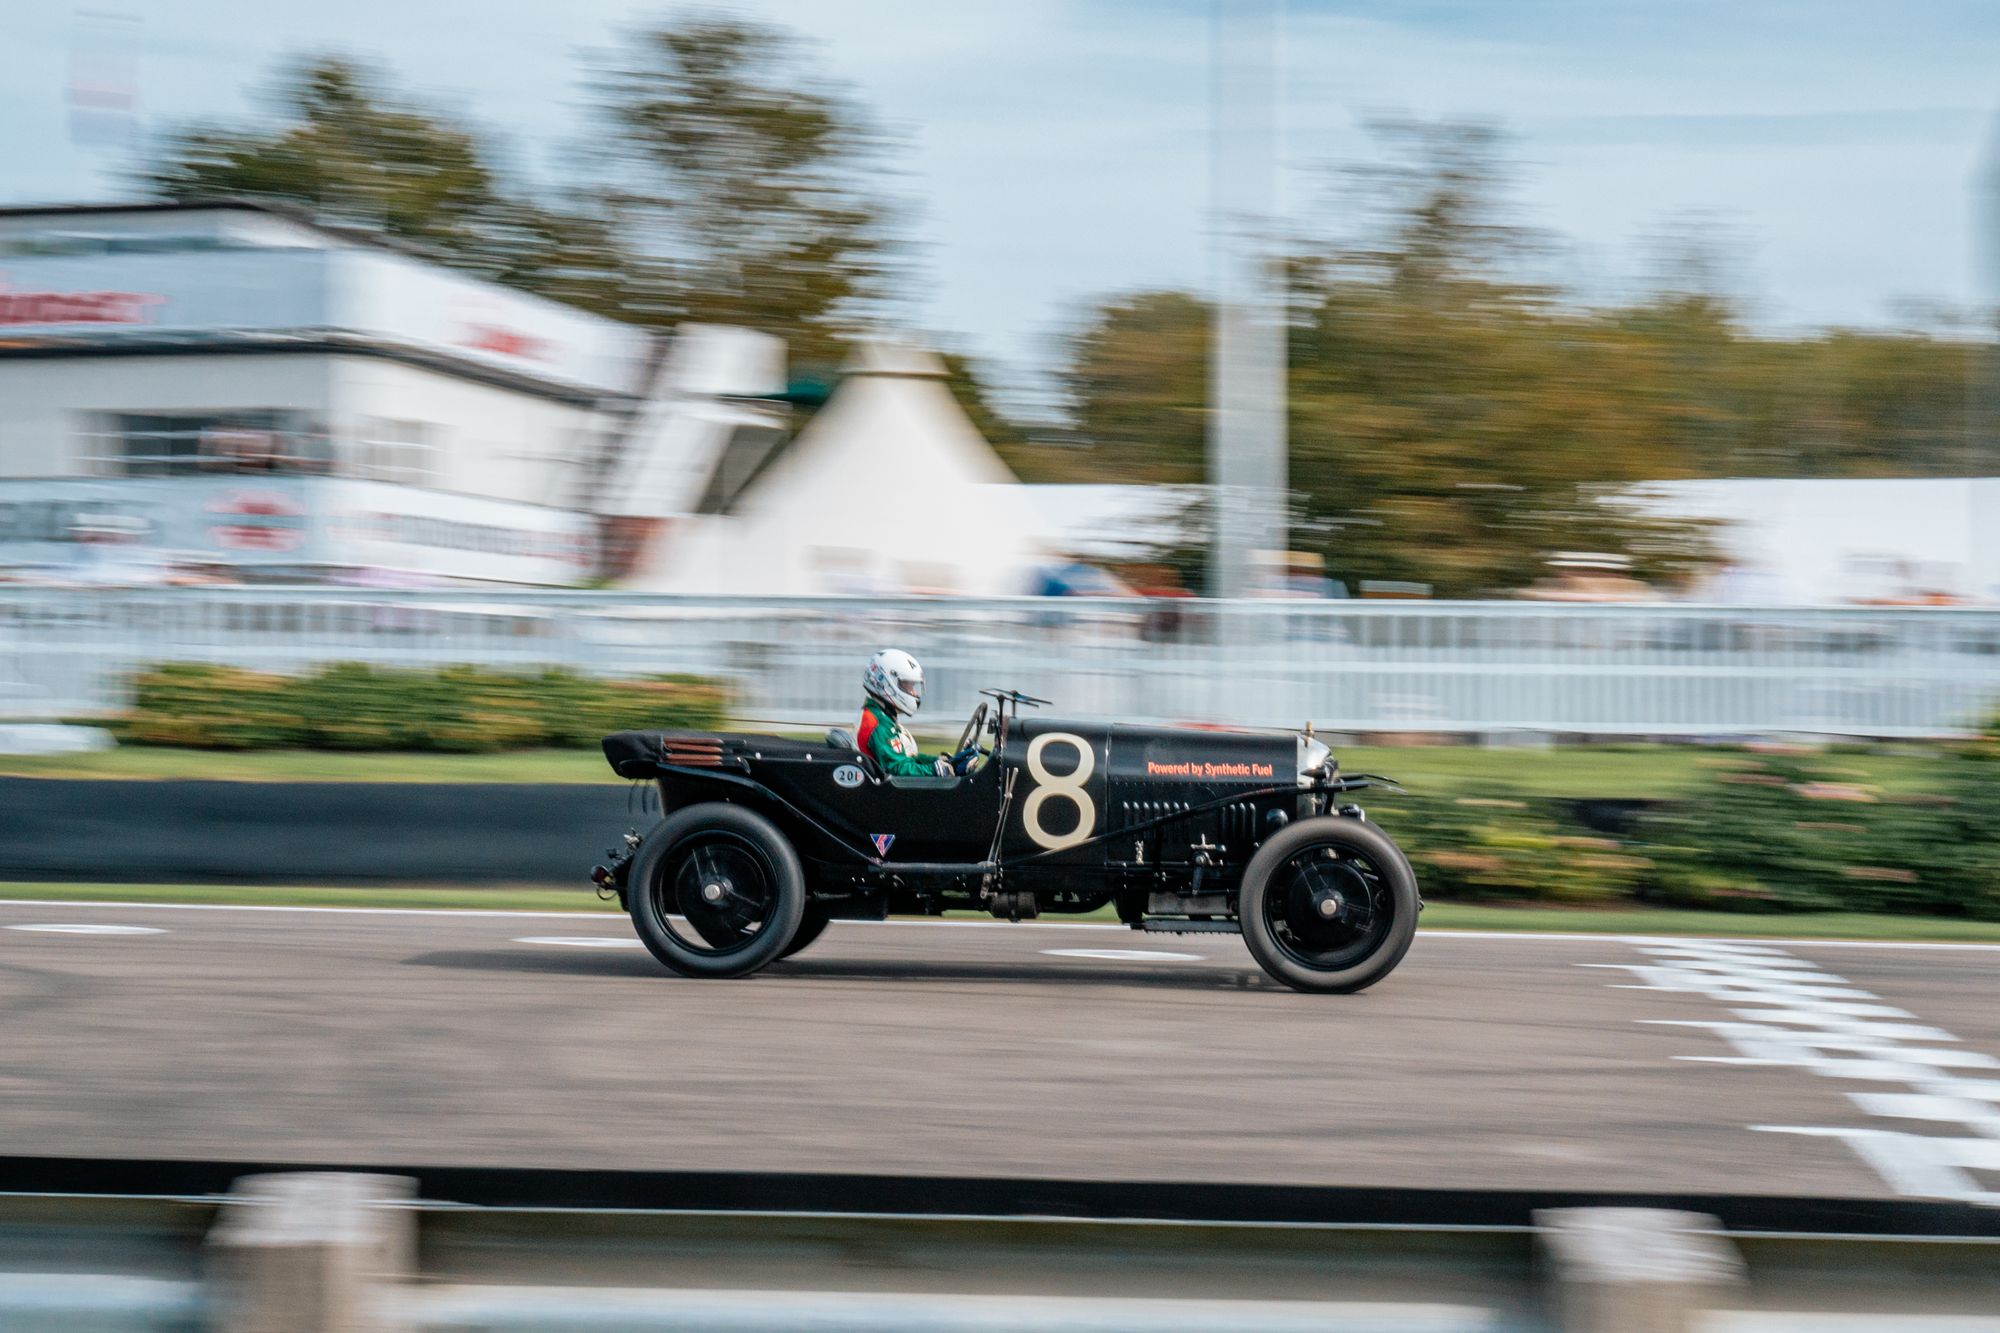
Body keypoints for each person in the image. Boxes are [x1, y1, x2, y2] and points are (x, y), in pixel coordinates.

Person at [857, 649, 973, 778]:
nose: (913, 693)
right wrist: (934, 770)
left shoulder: (881, 716)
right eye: (908, 686)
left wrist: (937, 761)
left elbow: (907, 759)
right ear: (885, 682)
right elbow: (897, 768)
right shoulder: (876, 723)